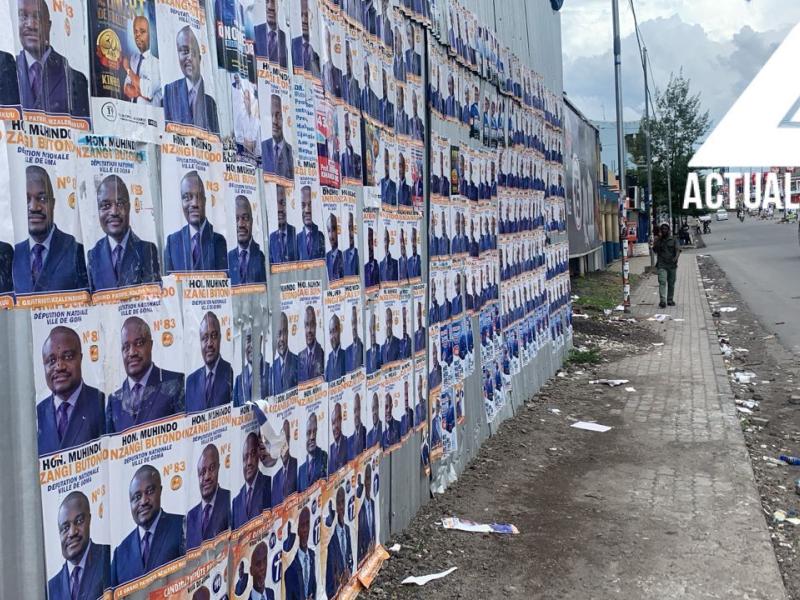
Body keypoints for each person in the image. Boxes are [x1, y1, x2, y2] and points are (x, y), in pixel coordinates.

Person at [14, 166, 88, 294]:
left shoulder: (77, 251)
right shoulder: (12, 255)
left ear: (53, 204)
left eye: (42, 199)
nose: (34, 207)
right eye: (26, 200)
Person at [107, 317, 184, 433]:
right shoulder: (114, 402)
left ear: (151, 345)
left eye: (139, 343)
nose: (132, 352)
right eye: (126, 347)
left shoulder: (175, 383)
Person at [110, 465, 185, 586]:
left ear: (160, 491)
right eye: (137, 497)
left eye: (149, 492)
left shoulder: (182, 526)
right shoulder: (120, 554)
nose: (144, 501)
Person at [37, 326, 104, 456]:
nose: (59, 366)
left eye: (67, 357)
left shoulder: (102, 403)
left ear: (80, 358)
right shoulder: (37, 415)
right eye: (51, 361)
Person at [15, 0, 89, 117]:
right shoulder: (7, 72)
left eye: (38, 17)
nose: (30, 25)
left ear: (48, 26)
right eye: (23, 16)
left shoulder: (75, 79)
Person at [87, 175, 160, 292]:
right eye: (106, 205)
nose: (114, 212)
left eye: (120, 204)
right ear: (98, 211)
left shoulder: (147, 251)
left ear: (129, 207)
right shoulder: (93, 256)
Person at [48, 491, 110, 600]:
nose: (72, 532)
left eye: (79, 521)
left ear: (89, 520)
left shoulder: (109, 557)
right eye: (65, 528)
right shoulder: (51, 588)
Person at [165, 171, 227, 273]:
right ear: (181, 202)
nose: (194, 203)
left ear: (205, 201)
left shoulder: (219, 241)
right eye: (187, 197)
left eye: (198, 197)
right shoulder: (172, 242)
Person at [163, 27, 218, 132]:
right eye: (184, 51)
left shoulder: (210, 103)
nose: (189, 57)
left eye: (193, 52)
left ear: (200, 58)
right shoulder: (170, 92)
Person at [186, 311, 233, 412]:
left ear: (220, 338)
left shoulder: (230, 372)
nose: (209, 344)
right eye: (205, 338)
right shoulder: (191, 381)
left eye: (214, 336)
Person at [186, 444, 231, 549]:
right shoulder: (190, 516)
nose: (206, 477)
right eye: (202, 472)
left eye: (211, 469)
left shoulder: (230, 499)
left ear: (219, 468)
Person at [232, 432, 271, 529]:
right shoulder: (236, 502)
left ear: (259, 455)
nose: (249, 462)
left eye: (252, 454)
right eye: (245, 458)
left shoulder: (269, 484)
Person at [228, 195, 267, 285]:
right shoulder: (228, 258)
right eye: (236, 219)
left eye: (245, 218)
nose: (241, 224)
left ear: (252, 221)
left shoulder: (262, 257)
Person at [123, 15, 161, 105]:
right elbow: (126, 89)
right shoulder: (133, 59)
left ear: (149, 34)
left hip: (150, 116)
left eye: (142, 32)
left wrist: (128, 69)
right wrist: (141, 90)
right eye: (135, 32)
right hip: (132, 113)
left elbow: (148, 92)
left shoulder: (157, 64)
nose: (138, 36)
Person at [325, 486, 354, 598]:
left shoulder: (347, 530)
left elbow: (350, 556)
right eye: (338, 503)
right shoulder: (330, 537)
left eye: (343, 502)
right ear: (334, 507)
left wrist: (349, 572)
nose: (341, 507)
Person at [284, 508, 316, 600]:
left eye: (307, 524)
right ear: (297, 530)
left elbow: (314, 588)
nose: (305, 530)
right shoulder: (290, 569)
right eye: (302, 525)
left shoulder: (312, 556)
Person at [262, 94, 294, 180]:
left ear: (284, 118)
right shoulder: (262, 147)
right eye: (271, 115)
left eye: (278, 115)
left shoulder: (291, 152)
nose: (274, 121)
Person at [298, 412, 327, 492]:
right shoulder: (301, 470)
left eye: (314, 432)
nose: (312, 437)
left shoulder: (324, 456)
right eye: (308, 433)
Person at [291, 0, 321, 78]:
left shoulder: (322, 47)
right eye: (301, 15)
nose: (304, 20)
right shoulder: (291, 45)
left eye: (307, 15)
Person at [653, 222, 680, 309]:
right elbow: (655, 250)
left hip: (672, 265)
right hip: (662, 264)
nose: (664, 230)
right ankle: (662, 301)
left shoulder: (674, 239)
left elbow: (678, 250)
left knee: (671, 283)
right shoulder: (658, 240)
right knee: (662, 281)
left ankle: (670, 300)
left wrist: (675, 258)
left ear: (668, 230)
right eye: (662, 229)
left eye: (666, 229)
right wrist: (657, 240)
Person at [268, 185, 297, 264]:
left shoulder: (296, 233)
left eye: (283, 203)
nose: (279, 209)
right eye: (275, 204)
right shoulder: (272, 238)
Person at [271, 420, 298, 504]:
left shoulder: (297, 464)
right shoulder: (275, 478)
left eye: (285, 440)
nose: (283, 446)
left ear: (289, 439)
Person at [255, 0, 288, 68]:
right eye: (267, 1)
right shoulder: (254, 32)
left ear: (281, 5)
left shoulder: (286, 39)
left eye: (273, 1)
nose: (270, 6)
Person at [272, 312, 298, 393]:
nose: (282, 339)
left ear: (288, 333)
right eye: (278, 334)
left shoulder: (298, 362)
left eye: (284, 332)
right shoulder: (271, 370)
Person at [296, 186, 325, 261]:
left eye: (310, 205)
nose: (307, 210)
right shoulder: (297, 239)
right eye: (303, 205)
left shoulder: (321, 237)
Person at [298, 306, 324, 383]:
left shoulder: (322, 354)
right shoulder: (300, 356)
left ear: (316, 326)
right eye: (307, 325)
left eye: (312, 325)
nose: (309, 330)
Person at [357, 464, 376, 564]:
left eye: (369, 478)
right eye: (366, 479)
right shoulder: (360, 512)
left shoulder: (373, 504)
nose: (368, 483)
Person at [325, 314, 346, 382]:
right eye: (330, 332)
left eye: (334, 331)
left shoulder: (346, 356)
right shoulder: (329, 359)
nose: (332, 336)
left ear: (340, 331)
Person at [321, 28, 341, 98]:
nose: (328, 47)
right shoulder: (319, 68)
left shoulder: (340, 73)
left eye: (329, 44)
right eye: (325, 43)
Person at [341, 115, 362, 181]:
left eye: (347, 130)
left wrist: (351, 150)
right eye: (344, 130)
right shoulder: (338, 155)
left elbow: (358, 176)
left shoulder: (357, 157)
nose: (346, 134)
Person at [328, 402, 348, 473]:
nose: (335, 426)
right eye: (333, 423)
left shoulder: (347, 442)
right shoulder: (330, 449)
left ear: (341, 421)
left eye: (337, 421)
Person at [341, 41, 361, 109]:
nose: (346, 62)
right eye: (343, 58)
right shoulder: (337, 80)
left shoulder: (359, 85)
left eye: (348, 57)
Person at [325, 214, 344, 282]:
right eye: (329, 231)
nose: (331, 235)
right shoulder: (326, 257)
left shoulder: (343, 256)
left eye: (333, 229)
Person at [348, 392, 367, 460]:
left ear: (360, 409)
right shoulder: (348, 441)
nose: (356, 414)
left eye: (357, 409)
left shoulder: (366, 432)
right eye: (354, 411)